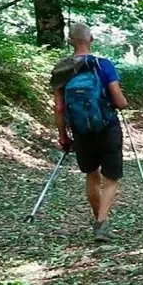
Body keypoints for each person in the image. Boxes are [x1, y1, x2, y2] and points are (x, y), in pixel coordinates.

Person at [50, 18, 130, 241]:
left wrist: (63, 136)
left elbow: (58, 107)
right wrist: (121, 103)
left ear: (70, 41)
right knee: (111, 177)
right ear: (91, 39)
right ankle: (101, 224)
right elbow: (119, 100)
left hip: (80, 130)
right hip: (107, 126)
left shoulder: (61, 69)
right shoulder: (103, 65)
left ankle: (99, 221)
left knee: (91, 175)